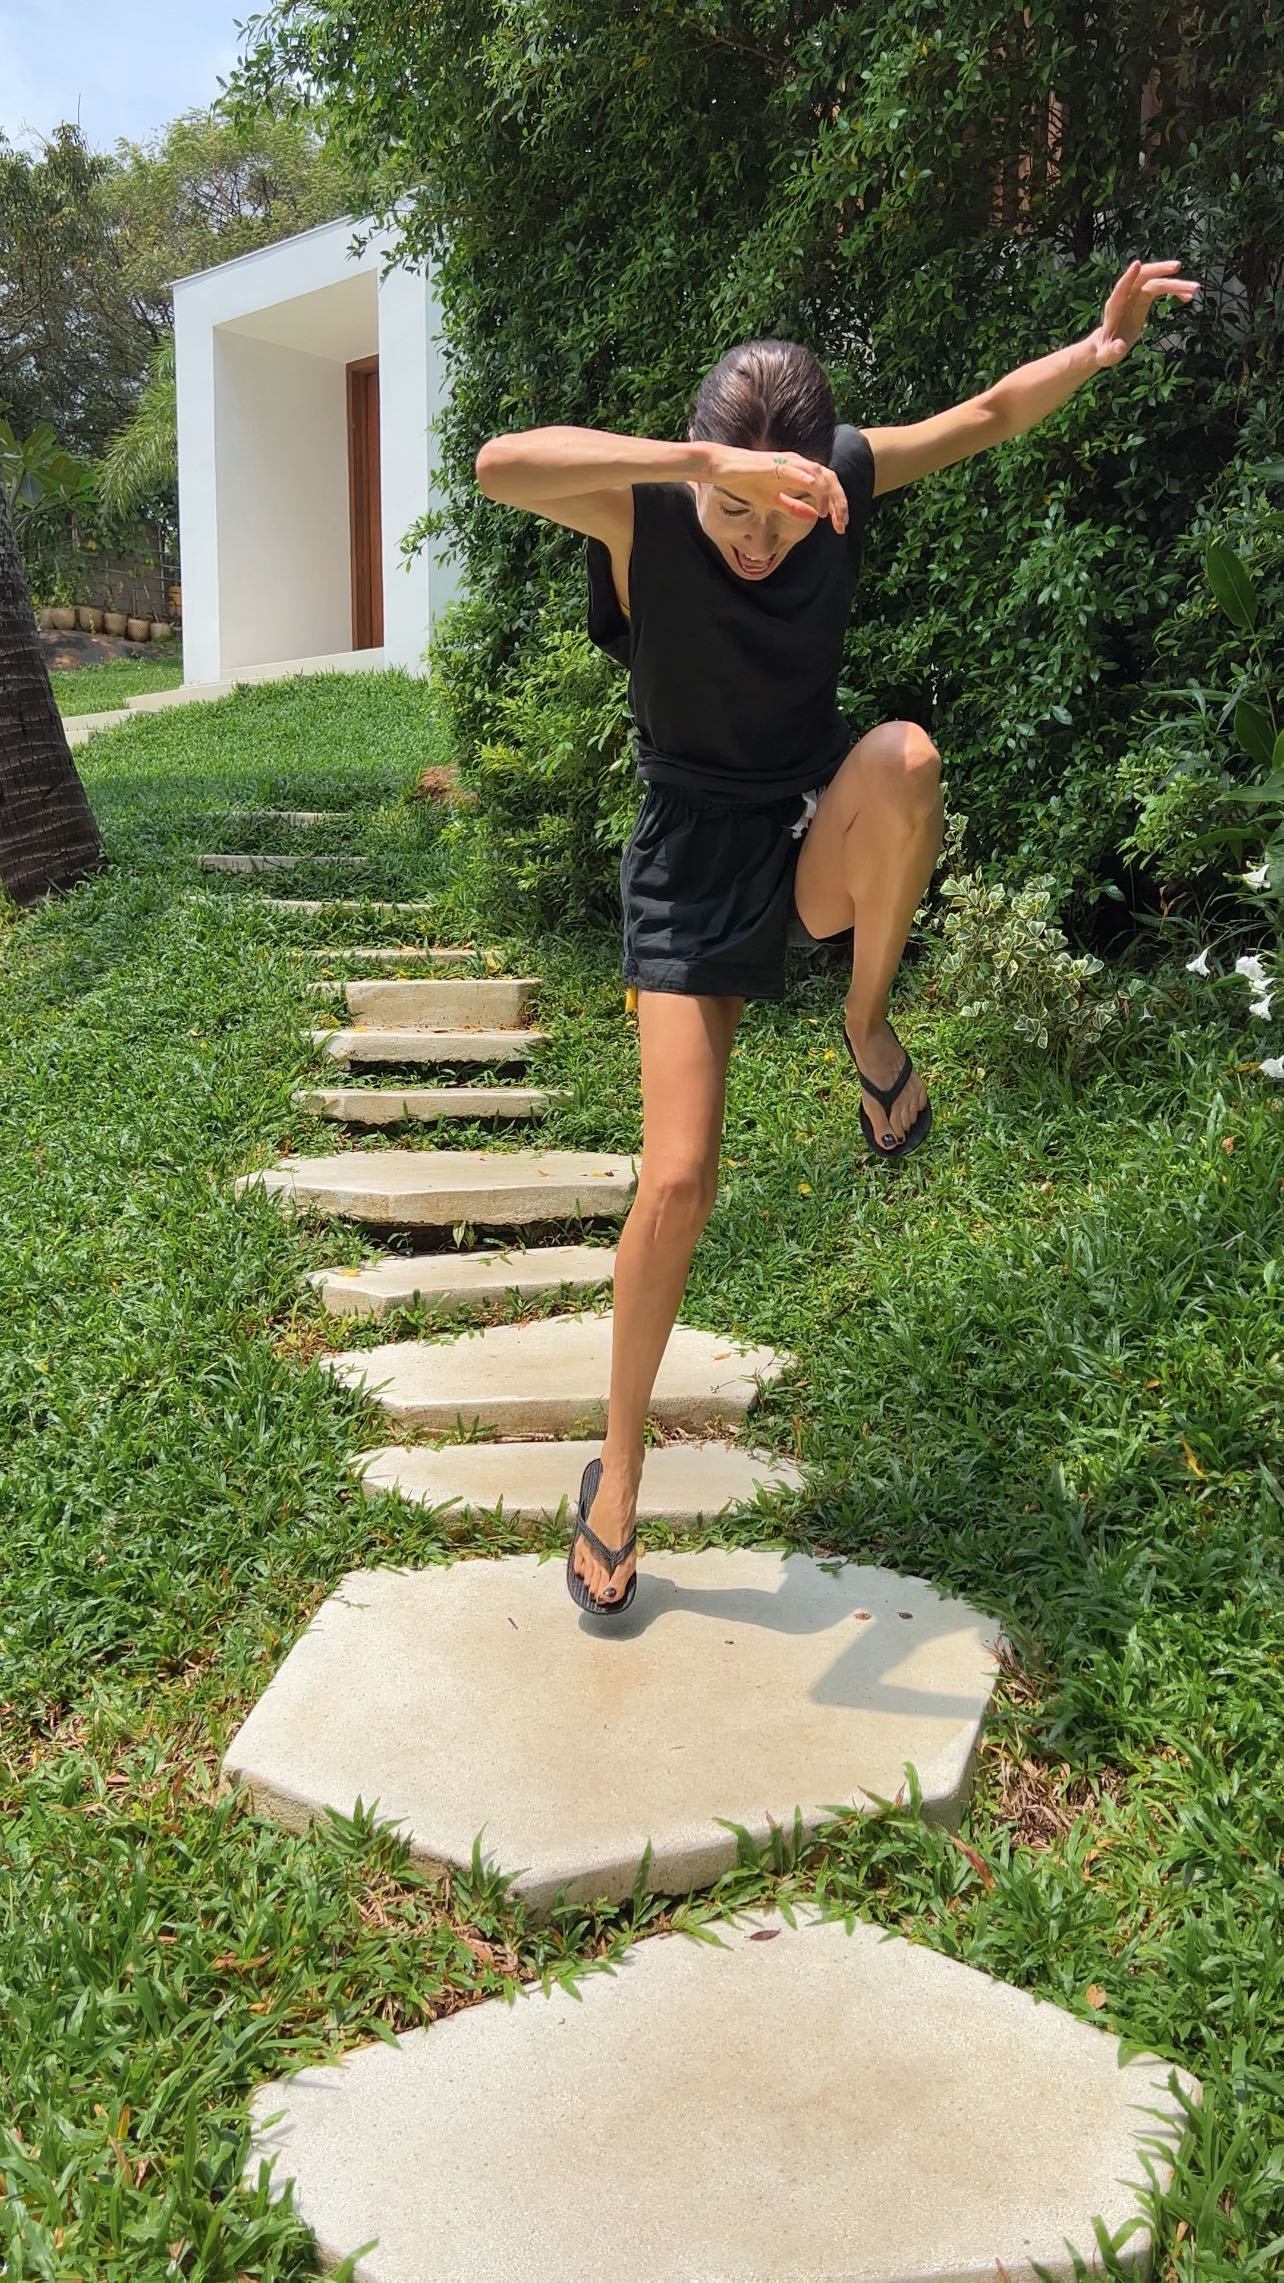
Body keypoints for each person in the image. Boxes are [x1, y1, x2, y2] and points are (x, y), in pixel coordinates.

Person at [473, 260, 1200, 1617]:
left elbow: (984, 416)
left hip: (808, 831)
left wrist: (1101, 347)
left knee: (908, 756)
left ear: (821, 487)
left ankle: (868, 1026)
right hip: (686, 865)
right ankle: (617, 1473)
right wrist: (700, 467)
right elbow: (499, 464)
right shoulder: (646, 508)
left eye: (785, 513)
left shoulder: (841, 481)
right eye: (735, 511)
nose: (758, 541)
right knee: (678, 1180)